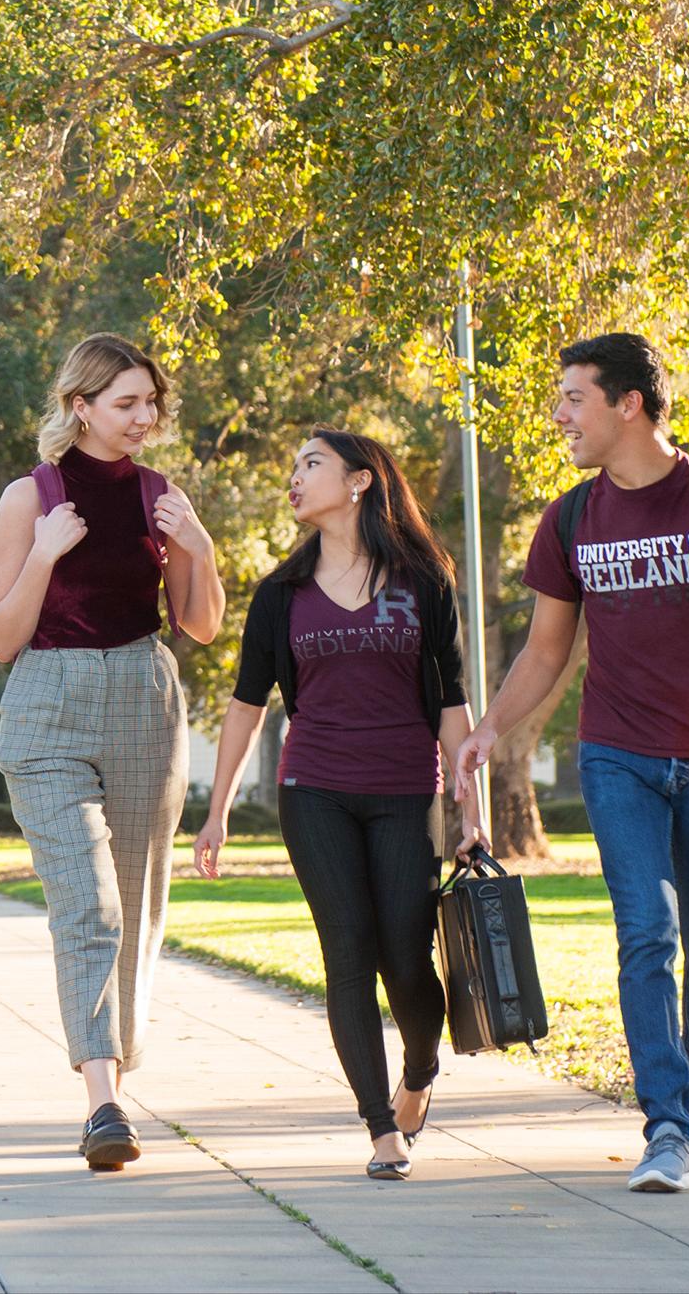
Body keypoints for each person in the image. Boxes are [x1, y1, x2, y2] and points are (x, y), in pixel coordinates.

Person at [455, 332, 689, 1195]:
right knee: (645, 936)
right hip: (614, 754)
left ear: (628, 403)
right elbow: (547, 651)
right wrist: (490, 729)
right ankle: (665, 1127)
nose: (559, 415)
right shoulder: (572, 516)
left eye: (573, 397)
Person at [193, 430, 474, 1181]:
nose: (293, 478)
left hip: (406, 791)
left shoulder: (424, 580)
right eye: (292, 467)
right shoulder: (280, 594)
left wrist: (469, 808)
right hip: (312, 789)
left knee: (407, 962)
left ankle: (417, 1073)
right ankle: (381, 1130)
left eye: (309, 464)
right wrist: (216, 810)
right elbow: (246, 707)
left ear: (359, 481)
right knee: (347, 954)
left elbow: (451, 701)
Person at [0, 332, 226, 1170]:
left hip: (143, 699)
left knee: (136, 910)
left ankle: (113, 1072)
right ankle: (103, 1103)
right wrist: (46, 553)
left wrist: (200, 546)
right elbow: (0, 639)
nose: (144, 419)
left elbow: (201, 624)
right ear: (79, 407)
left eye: (150, 404)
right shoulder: (29, 497)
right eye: (126, 404)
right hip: (46, 701)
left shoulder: (164, 496)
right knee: (89, 904)